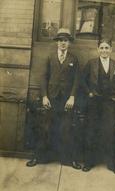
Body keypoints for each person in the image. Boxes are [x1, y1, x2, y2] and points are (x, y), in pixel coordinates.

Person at [26, 28, 81, 169]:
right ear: (57, 42)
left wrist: (72, 97)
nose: (63, 43)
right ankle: (39, 157)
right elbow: (43, 77)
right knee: (45, 128)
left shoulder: (73, 59)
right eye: (61, 40)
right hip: (51, 98)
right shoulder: (50, 57)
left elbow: (76, 80)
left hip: (66, 100)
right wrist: (44, 96)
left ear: (69, 43)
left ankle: (69, 160)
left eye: (66, 41)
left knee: (67, 129)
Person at [82, 38, 115, 174]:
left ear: (111, 50)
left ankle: (113, 164)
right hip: (94, 102)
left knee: (110, 133)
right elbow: (82, 81)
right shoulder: (91, 63)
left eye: (107, 48)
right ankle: (89, 162)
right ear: (98, 49)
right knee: (91, 131)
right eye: (102, 48)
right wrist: (88, 92)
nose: (104, 50)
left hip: (109, 103)